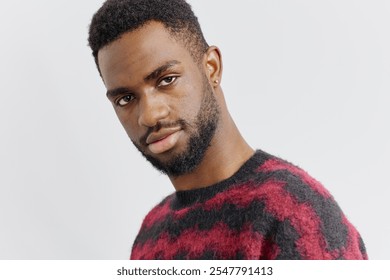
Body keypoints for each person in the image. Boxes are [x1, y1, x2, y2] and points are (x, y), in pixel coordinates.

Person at [88, 0, 367, 260]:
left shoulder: (292, 211)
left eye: (167, 80)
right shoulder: (151, 231)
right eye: (125, 99)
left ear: (211, 68)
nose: (149, 115)